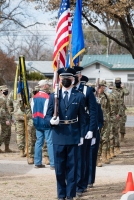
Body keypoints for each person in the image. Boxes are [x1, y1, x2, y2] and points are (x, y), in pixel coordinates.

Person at [45, 68, 86, 200]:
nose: (65, 80)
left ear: (72, 79)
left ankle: (70, 194)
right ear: (60, 80)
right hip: (58, 135)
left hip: (73, 134)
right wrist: (51, 121)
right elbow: (46, 116)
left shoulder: (79, 96)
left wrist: (82, 135)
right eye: (63, 78)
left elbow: (83, 118)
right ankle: (61, 194)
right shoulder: (54, 96)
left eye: (68, 78)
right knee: (60, 168)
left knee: (72, 168)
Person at [72, 69, 97, 197]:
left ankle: (80, 185)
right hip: (70, 128)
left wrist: (92, 129)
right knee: (71, 159)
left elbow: (93, 111)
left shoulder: (87, 90)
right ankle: (71, 183)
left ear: (80, 76)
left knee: (81, 158)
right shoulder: (65, 89)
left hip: (84, 127)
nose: (73, 77)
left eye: (76, 75)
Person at [7, 89, 36, 164]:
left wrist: (12, 112)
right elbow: (9, 103)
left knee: (23, 134)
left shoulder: (14, 92)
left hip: (26, 116)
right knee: (25, 134)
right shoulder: (29, 90)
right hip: (25, 115)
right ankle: (23, 150)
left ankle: (23, 150)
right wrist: (12, 112)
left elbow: (9, 103)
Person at [31, 79, 54, 169]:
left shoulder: (34, 97)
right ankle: (53, 163)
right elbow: (48, 111)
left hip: (37, 121)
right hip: (45, 122)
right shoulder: (47, 97)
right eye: (48, 85)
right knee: (50, 142)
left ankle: (37, 162)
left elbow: (33, 110)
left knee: (39, 142)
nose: (48, 86)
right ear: (44, 86)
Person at [87, 83, 104, 188]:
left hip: (94, 134)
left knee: (91, 157)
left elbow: (101, 120)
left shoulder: (97, 105)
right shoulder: (81, 104)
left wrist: (96, 127)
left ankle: (90, 180)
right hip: (83, 133)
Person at [97, 80, 111, 167]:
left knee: (105, 138)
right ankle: (97, 158)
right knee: (98, 139)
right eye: (103, 86)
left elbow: (109, 108)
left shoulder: (106, 96)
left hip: (106, 120)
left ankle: (104, 156)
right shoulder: (95, 96)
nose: (104, 88)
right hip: (97, 121)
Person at [113, 77, 129, 142]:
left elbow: (127, 93)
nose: (117, 83)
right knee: (114, 123)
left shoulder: (122, 89)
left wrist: (123, 87)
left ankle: (122, 137)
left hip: (121, 108)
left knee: (122, 123)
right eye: (116, 82)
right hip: (114, 108)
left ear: (120, 82)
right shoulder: (113, 89)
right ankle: (114, 137)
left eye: (118, 82)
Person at [0, 85, 12, 153]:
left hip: (8, 117)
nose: (6, 92)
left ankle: (7, 147)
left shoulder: (6, 98)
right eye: (4, 91)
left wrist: (10, 118)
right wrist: (6, 119)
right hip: (4, 118)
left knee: (8, 133)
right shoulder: (1, 99)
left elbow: (8, 109)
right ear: (1, 91)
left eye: (7, 90)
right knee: (4, 133)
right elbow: (2, 110)